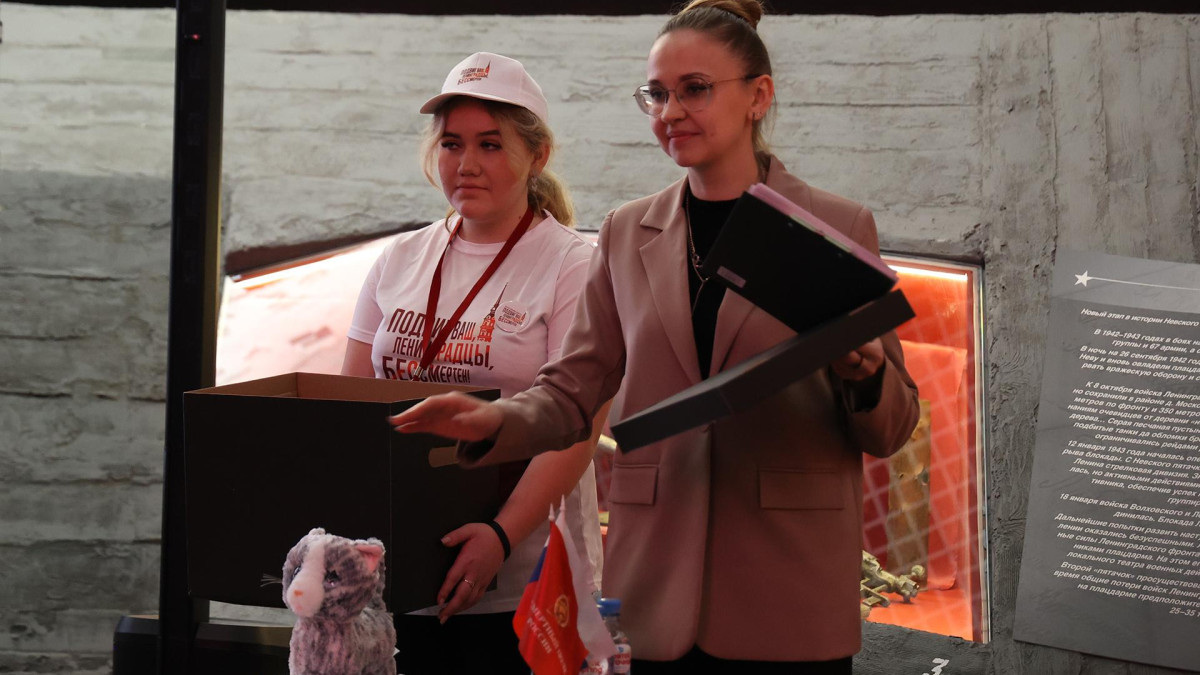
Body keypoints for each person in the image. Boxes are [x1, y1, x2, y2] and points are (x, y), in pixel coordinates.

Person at [389, 2, 920, 673]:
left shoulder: (838, 226)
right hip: (653, 592)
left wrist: (864, 371)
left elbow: (894, 425)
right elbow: (572, 390)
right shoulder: (625, 232)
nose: (671, 111)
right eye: (657, 94)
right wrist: (495, 419)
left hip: (788, 587)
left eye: (695, 89)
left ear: (759, 96)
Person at [341, 51, 606, 675]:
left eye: (490, 144)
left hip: (523, 583)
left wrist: (501, 537)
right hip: (400, 568)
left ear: (536, 156)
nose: (466, 164)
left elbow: (577, 426)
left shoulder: (572, 264)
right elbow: (348, 403)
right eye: (452, 144)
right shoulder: (399, 258)